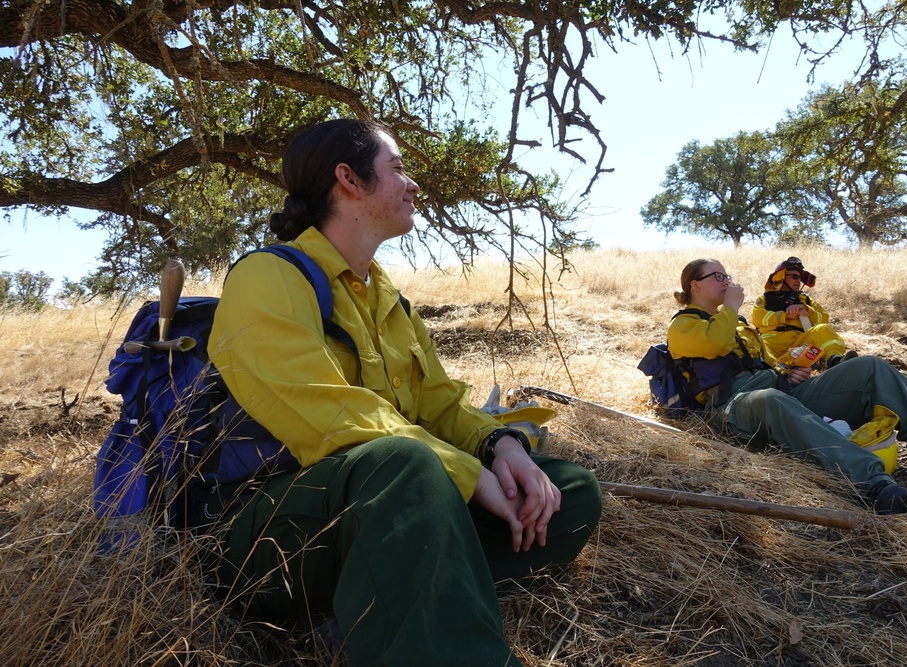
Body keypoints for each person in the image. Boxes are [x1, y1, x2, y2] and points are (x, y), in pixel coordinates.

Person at [196, 118, 602, 666]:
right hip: (268, 537)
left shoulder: (388, 296)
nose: (413, 184)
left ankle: (380, 601)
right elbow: (330, 417)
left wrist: (501, 447)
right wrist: (467, 475)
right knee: (402, 463)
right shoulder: (266, 277)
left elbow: (441, 402)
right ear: (349, 179)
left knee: (567, 492)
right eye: (397, 169)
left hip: (390, 505)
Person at [667, 257, 907, 515]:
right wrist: (734, 308)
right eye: (718, 276)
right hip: (732, 409)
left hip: (779, 393)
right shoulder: (684, 325)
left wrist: (789, 372)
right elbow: (713, 345)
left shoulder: (737, 324)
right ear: (696, 285)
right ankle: (871, 482)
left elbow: (769, 364)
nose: (727, 281)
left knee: (869, 367)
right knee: (769, 398)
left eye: (727, 275)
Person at [751, 256, 856, 369]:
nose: (798, 280)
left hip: (801, 344)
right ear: (781, 277)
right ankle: (776, 374)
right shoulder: (764, 298)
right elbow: (757, 317)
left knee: (823, 329)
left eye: (800, 278)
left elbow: (824, 318)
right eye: (794, 277)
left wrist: (808, 311)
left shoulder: (806, 300)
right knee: (759, 348)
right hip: (772, 342)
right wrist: (784, 316)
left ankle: (836, 362)